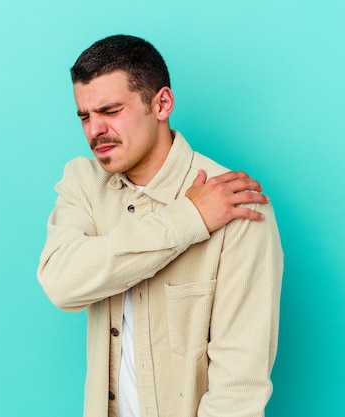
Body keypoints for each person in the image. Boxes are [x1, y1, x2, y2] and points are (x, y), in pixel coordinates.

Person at [37, 34, 283, 417]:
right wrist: (188, 219)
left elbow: (238, 390)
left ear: (161, 103)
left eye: (110, 110)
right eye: (85, 116)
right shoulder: (83, 183)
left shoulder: (238, 209)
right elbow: (61, 283)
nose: (94, 131)